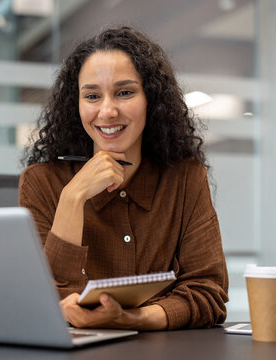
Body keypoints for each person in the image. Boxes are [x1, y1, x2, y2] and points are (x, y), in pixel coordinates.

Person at [19, 26, 228, 331]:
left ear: (150, 99)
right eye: (92, 96)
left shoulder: (185, 178)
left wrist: (133, 318)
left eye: (125, 92)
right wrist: (72, 197)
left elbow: (207, 294)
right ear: (76, 104)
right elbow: (42, 301)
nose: (107, 111)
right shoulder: (42, 182)